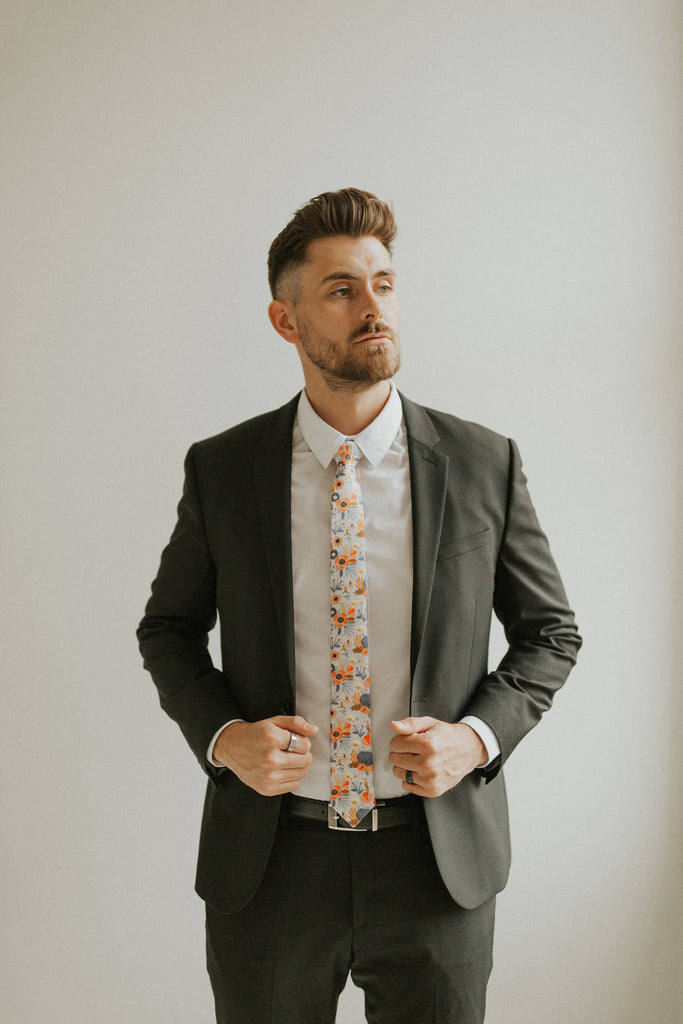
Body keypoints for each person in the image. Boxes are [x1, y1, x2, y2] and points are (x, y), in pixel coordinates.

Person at [137, 187, 581, 1024]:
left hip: (436, 862)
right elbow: (167, 630)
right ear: (287, 320)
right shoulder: (224, 469)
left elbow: (549, 634)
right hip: (271, 863)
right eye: (341, 290)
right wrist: (226, 737)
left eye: (383, 283)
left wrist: (473, 739)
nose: (372, 307)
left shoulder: (482, 463)